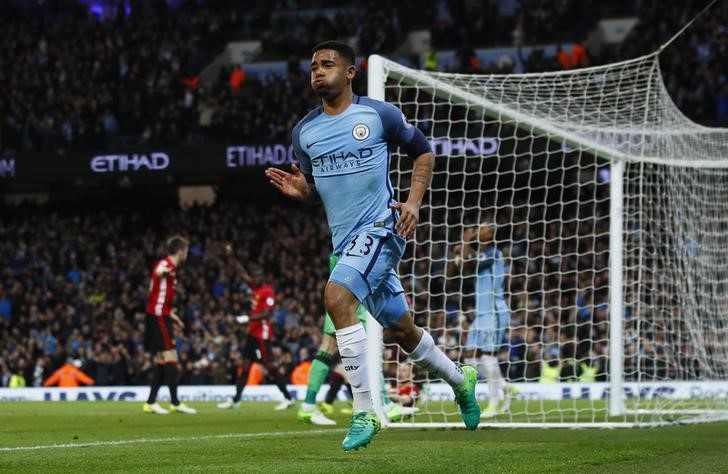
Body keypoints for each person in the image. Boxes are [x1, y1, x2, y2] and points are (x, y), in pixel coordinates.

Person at [265, 40, 480, 451]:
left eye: (327, 64)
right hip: (347, 242)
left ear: (350, 72)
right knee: (402, 330)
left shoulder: (377, 115)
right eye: (313, 66)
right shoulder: (304, 132)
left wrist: (413, 203)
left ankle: (365, 409)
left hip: (383, 227)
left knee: (337, 296)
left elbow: (423, 152)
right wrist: (302, 191)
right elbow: (318, 191)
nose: (317, 71)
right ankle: (459, 379)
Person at [297, 253, 419, 426]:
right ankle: (385, 404)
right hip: (350, 293)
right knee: (358, 348)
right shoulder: (353, 237)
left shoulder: (343, 237)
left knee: (330, 347)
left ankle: (309, 406)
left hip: (343, 288)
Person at [448, 223, 517, 418]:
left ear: (492, 234)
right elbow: (452, 274)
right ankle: (505, 387)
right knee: (470, 357)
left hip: (494, 311)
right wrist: (458, 252)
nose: (479, 229)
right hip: (481, 314)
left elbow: (472, 264)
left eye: (485, 228)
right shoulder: (478, 253)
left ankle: (494, 403)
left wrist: (465, 243)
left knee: (488, 357)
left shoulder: (495, 253)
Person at [217, 245, 295, 411]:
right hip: (252, 334)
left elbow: (267, 314)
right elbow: (240, 272)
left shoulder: (268, 292)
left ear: (263, 276)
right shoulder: (254, 287)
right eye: (254, 276)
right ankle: (235, 400)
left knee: (269, 366)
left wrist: (247, 318)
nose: (255, 278)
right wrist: (231, 256)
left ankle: (288, 398)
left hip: (262, 336)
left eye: (258, 276)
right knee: (244, 367)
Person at [143, 235, 197, 415]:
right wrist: (163, 272)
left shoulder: (171, 268)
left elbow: (154, 289)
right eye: (186, 251)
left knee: (161, 360)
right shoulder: (167, 264)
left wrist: (173, 316)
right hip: (158, 315)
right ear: (181, 251)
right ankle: (175, 402)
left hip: (160, 314)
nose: (187, 254)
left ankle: (150, 402)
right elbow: (159, 271)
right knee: (171, 356)